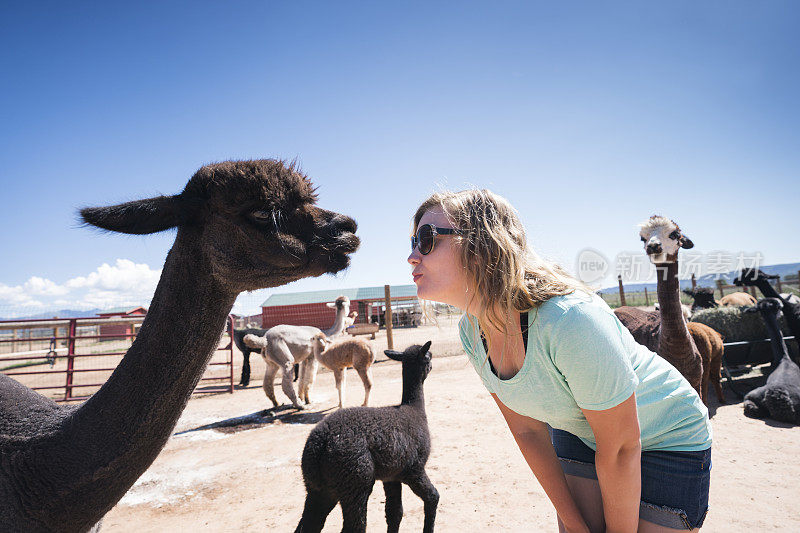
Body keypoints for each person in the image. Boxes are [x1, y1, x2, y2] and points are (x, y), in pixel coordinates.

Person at [407, 189, 711, 532]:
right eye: (413, 242)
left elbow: (622, 447)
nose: (412, 256)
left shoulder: (568, 319)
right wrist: (574, 525)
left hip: (668, 436)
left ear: (482, 245)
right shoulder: (471, 330)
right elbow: (527, 431)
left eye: (426, 239)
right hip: (582, 432)